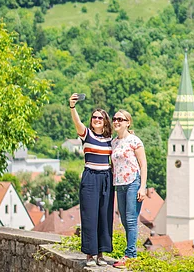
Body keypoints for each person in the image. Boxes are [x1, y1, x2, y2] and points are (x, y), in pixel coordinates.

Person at [69, 93, 114, 267]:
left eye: (100, 118)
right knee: (89, 216)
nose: (96, 119)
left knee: (104, 215)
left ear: (105, 121)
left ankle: (101, 254)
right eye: (94, 117)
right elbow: (77, 123)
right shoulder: (86, 135)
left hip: (106, 178)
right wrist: (72, 107)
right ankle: (90, 254)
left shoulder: (110, 139)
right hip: (90, 177)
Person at [111, 109, 148, 269]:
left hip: (133, 182)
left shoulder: (134, 141)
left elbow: (143, 164)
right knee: (124, 220)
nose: (117, 122)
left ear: (128, 122)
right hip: (119, 184)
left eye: (120, 119)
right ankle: (130, 252)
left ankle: (131, 255)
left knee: (131, 219)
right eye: (115, 119)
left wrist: (143, 186)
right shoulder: (114, 142)